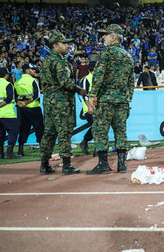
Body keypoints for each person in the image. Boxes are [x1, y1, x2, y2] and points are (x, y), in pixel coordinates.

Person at [87, 24, 135, 175]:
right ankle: (122, 164)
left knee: (101, 131)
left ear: (113, 37)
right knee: (121, 132)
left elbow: (98, 75)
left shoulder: (106, 53)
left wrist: (93, 95)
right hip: (122, 101)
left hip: (106, 100)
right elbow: (131, 82)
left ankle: (103, 164)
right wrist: (128, 99)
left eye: (106, 35)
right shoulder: (128, 56)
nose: (103, 38)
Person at [39, 31, 86, 175]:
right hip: (61, 102)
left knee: (49, 133)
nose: (67, 45)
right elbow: (65, 83)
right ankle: (66, 165)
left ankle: (44, 164)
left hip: (49, 101)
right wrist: (79, 90)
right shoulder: (58, 61)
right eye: (64, 43)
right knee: (64, 133)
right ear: (55, 45)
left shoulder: (47, 60)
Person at [14, 63, 44, 156]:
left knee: (23, 129)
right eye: (32, 69)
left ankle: (20, 150)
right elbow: (36, 95)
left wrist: (20, 103)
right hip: (34, 108)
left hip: (22, 110)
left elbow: (15, 97)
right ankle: (43, 150)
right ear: (27, 70)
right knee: (39, 128)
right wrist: (26, 102)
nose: (33, 71)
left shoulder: (17, 82)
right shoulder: (33, 80)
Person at [78, 62, 95, 156]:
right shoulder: (85, 79)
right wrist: (89, 106)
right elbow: (84, 94)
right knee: (96, 126)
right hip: (89, 108)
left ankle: (86, 142)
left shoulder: (98, 79)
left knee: (99, 127)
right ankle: (85, 141)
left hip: (97, 107)